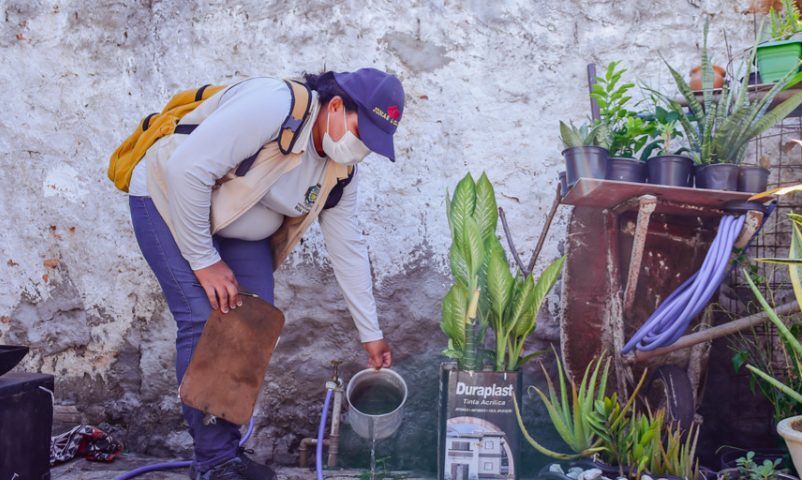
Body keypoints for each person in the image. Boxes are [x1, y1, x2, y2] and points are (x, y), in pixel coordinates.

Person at [126, 68, 404, 480]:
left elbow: (348, 248)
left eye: (372, 145)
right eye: (362, 135)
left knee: (251, 327)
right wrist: (204, 262)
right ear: (336, 106)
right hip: (167, 199)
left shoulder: (340, 173)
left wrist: (371, 333)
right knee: (205, 321)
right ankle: (212, 461)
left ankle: (225, 453)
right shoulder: (274, 106)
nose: (361, 150)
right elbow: (187, 170)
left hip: (240, 226)